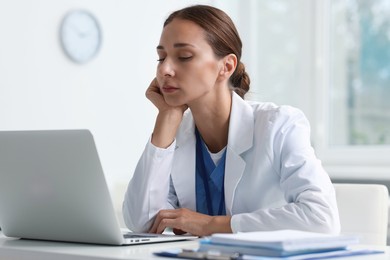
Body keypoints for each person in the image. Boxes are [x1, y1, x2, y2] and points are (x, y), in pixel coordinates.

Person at [123, 4, 340, 236]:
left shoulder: (279, 125)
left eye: (184, 56)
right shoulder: (175, 135)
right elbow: (141, 223)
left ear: (226, 66)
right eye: (161, 58)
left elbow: (322, 218)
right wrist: (166, 118)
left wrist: (210, 225)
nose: (165, 69)